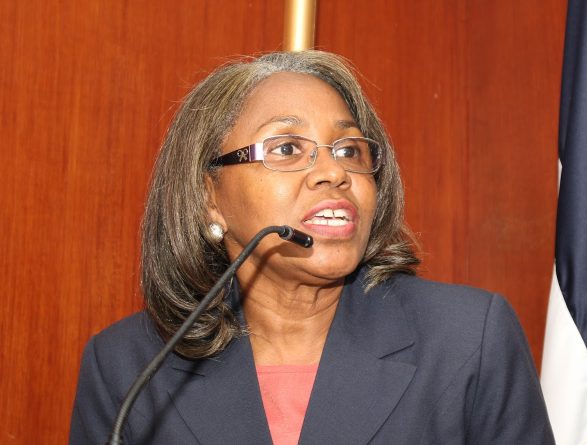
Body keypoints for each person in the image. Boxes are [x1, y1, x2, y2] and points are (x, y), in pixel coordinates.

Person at [69, 50, 554, 445]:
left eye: (349, 150)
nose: (334, 171)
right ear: (208, 198)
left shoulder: (468, 341)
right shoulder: (127, 368)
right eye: (286, 149)